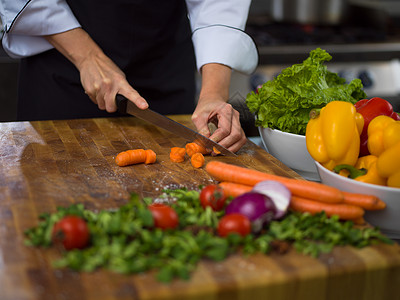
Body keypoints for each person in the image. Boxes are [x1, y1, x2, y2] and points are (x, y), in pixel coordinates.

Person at [0, 0, 258, 152]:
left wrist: (213, 93)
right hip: (62, 62)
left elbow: (219, 4)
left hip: (165, 58)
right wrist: (87, 56)